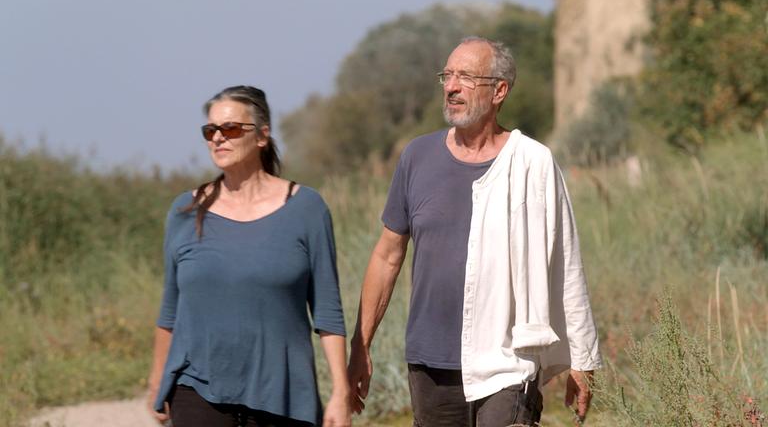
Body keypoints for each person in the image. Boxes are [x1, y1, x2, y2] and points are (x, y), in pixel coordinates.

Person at [347, 37, 602, 426]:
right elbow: (387, 255)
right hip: (430, 363)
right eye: (447, 76)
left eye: (465, 77)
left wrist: (582, 358)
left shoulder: (533, 163)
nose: (451, 87)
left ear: (499, 90)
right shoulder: (417, 157)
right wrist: (360, 344)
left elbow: (564, 260)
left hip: (509, 359)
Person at [146, 85, 351, 427]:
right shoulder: (185, 211)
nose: (218, 139)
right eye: (210, 131)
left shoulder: (306, 209)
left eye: (230, 129)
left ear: (262, 136)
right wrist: (157, 381)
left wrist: (340, 395)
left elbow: (328, 313)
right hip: (196, 390)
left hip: (283, 394)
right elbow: (170, 310)